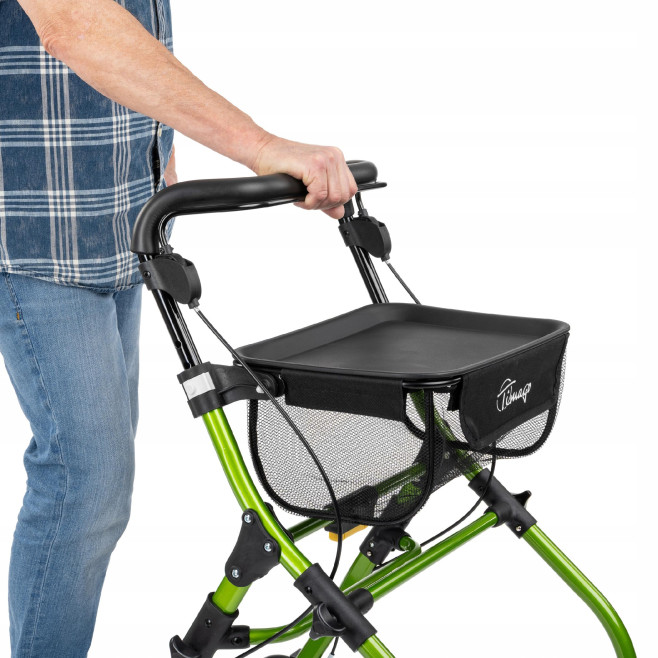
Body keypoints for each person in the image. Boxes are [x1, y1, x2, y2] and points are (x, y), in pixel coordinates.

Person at [0, 1, 357, 656]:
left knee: (92, 485)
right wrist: (263, 147)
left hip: (116, 224)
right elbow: (75, 22)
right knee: (85, 483)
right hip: (32, 234)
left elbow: (134, 37)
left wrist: (159, 172)